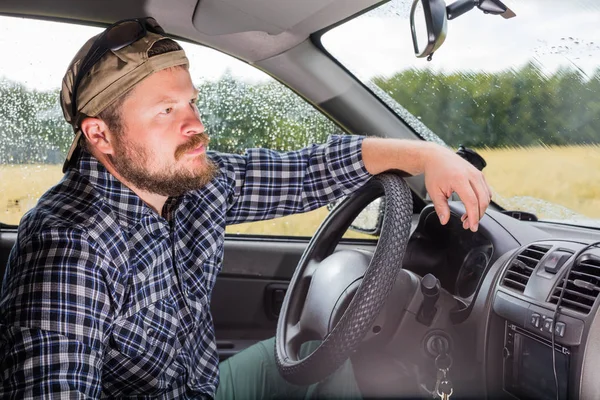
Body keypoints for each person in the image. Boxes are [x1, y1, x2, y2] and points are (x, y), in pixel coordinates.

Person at [0, 17, 491, 399]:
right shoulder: (67, 249)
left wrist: (428, 157)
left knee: (330, 357)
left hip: (205, 388)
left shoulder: (189, 181)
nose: (194, 125)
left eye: (191, 103)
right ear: (100, 135)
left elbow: (309, 171)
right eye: (166, 111)